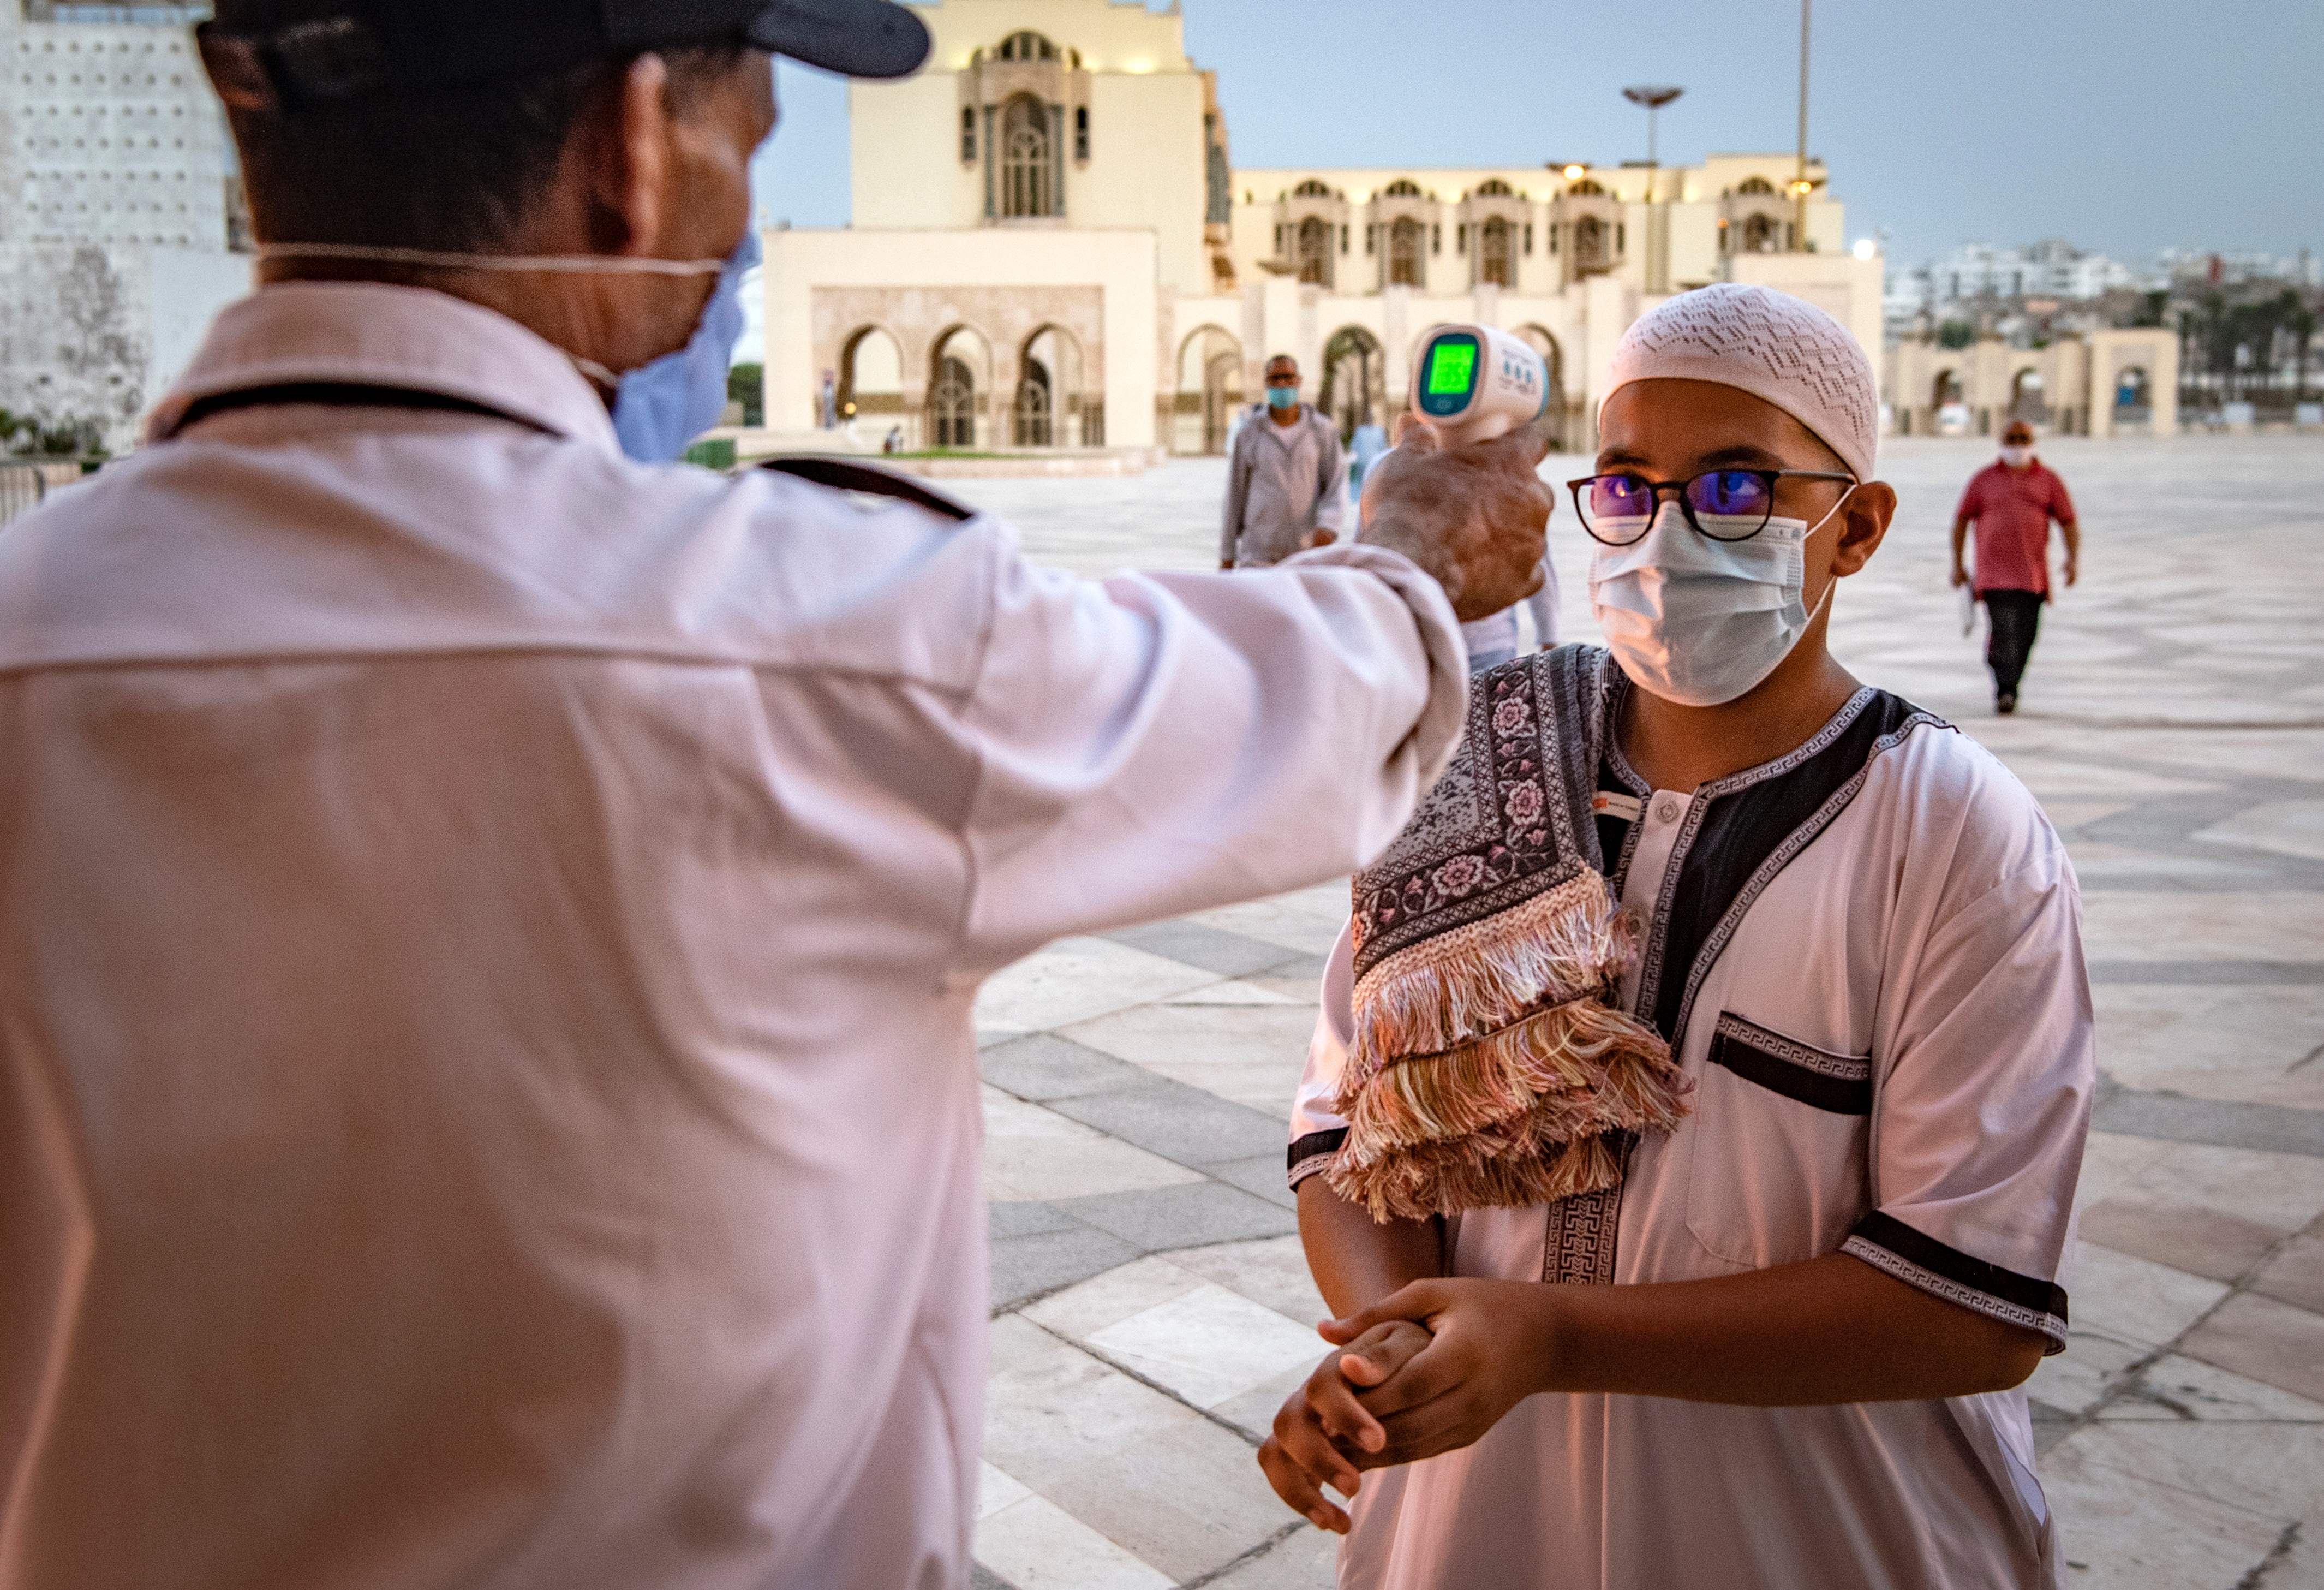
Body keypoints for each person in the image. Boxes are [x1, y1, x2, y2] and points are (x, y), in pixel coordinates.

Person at [0, 4, 1558, 1587]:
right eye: (744, 146)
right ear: (629, 148)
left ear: (237, 95)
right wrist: (1421, 543)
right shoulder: (834, 638)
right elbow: (1300, 698)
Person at [1264, 284, 2094, 1589]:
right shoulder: (1468, 759)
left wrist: (1551, 1338)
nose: (1665, 530)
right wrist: (1387, 1344)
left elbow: (1966, 1306)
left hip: (1826, 1543)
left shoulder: (1948, 834)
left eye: (1734, 487)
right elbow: (1342, 1127)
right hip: (1470, 1539)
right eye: (1627, 483)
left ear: (1857, 526)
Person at [1951, 419, 2079, 714]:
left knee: (2026, 635)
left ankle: (2012, 682)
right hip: (1994, 576)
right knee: (2003, 631)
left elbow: (2068, 521)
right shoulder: (1984, 480)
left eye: (2023, 438)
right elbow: (1961, 521)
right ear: (2001, 441)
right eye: (2012, 438)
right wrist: (1958, 564)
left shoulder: (2048, 480)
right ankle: (2005, 688)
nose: (2017, 444)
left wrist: (2072, 559)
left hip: (2032, 576)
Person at [1221, 353, 1348, 568]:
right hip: (1258, 552)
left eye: (1288, 378)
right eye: (1276, 379)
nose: (1282, 384)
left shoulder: (1321, 431)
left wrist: (1328, 525)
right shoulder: (1250, 433)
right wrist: (1227, 555)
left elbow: (1336, 483)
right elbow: (1235, 495)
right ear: (1267, 383)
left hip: (1306, 553)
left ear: (1298, 381)